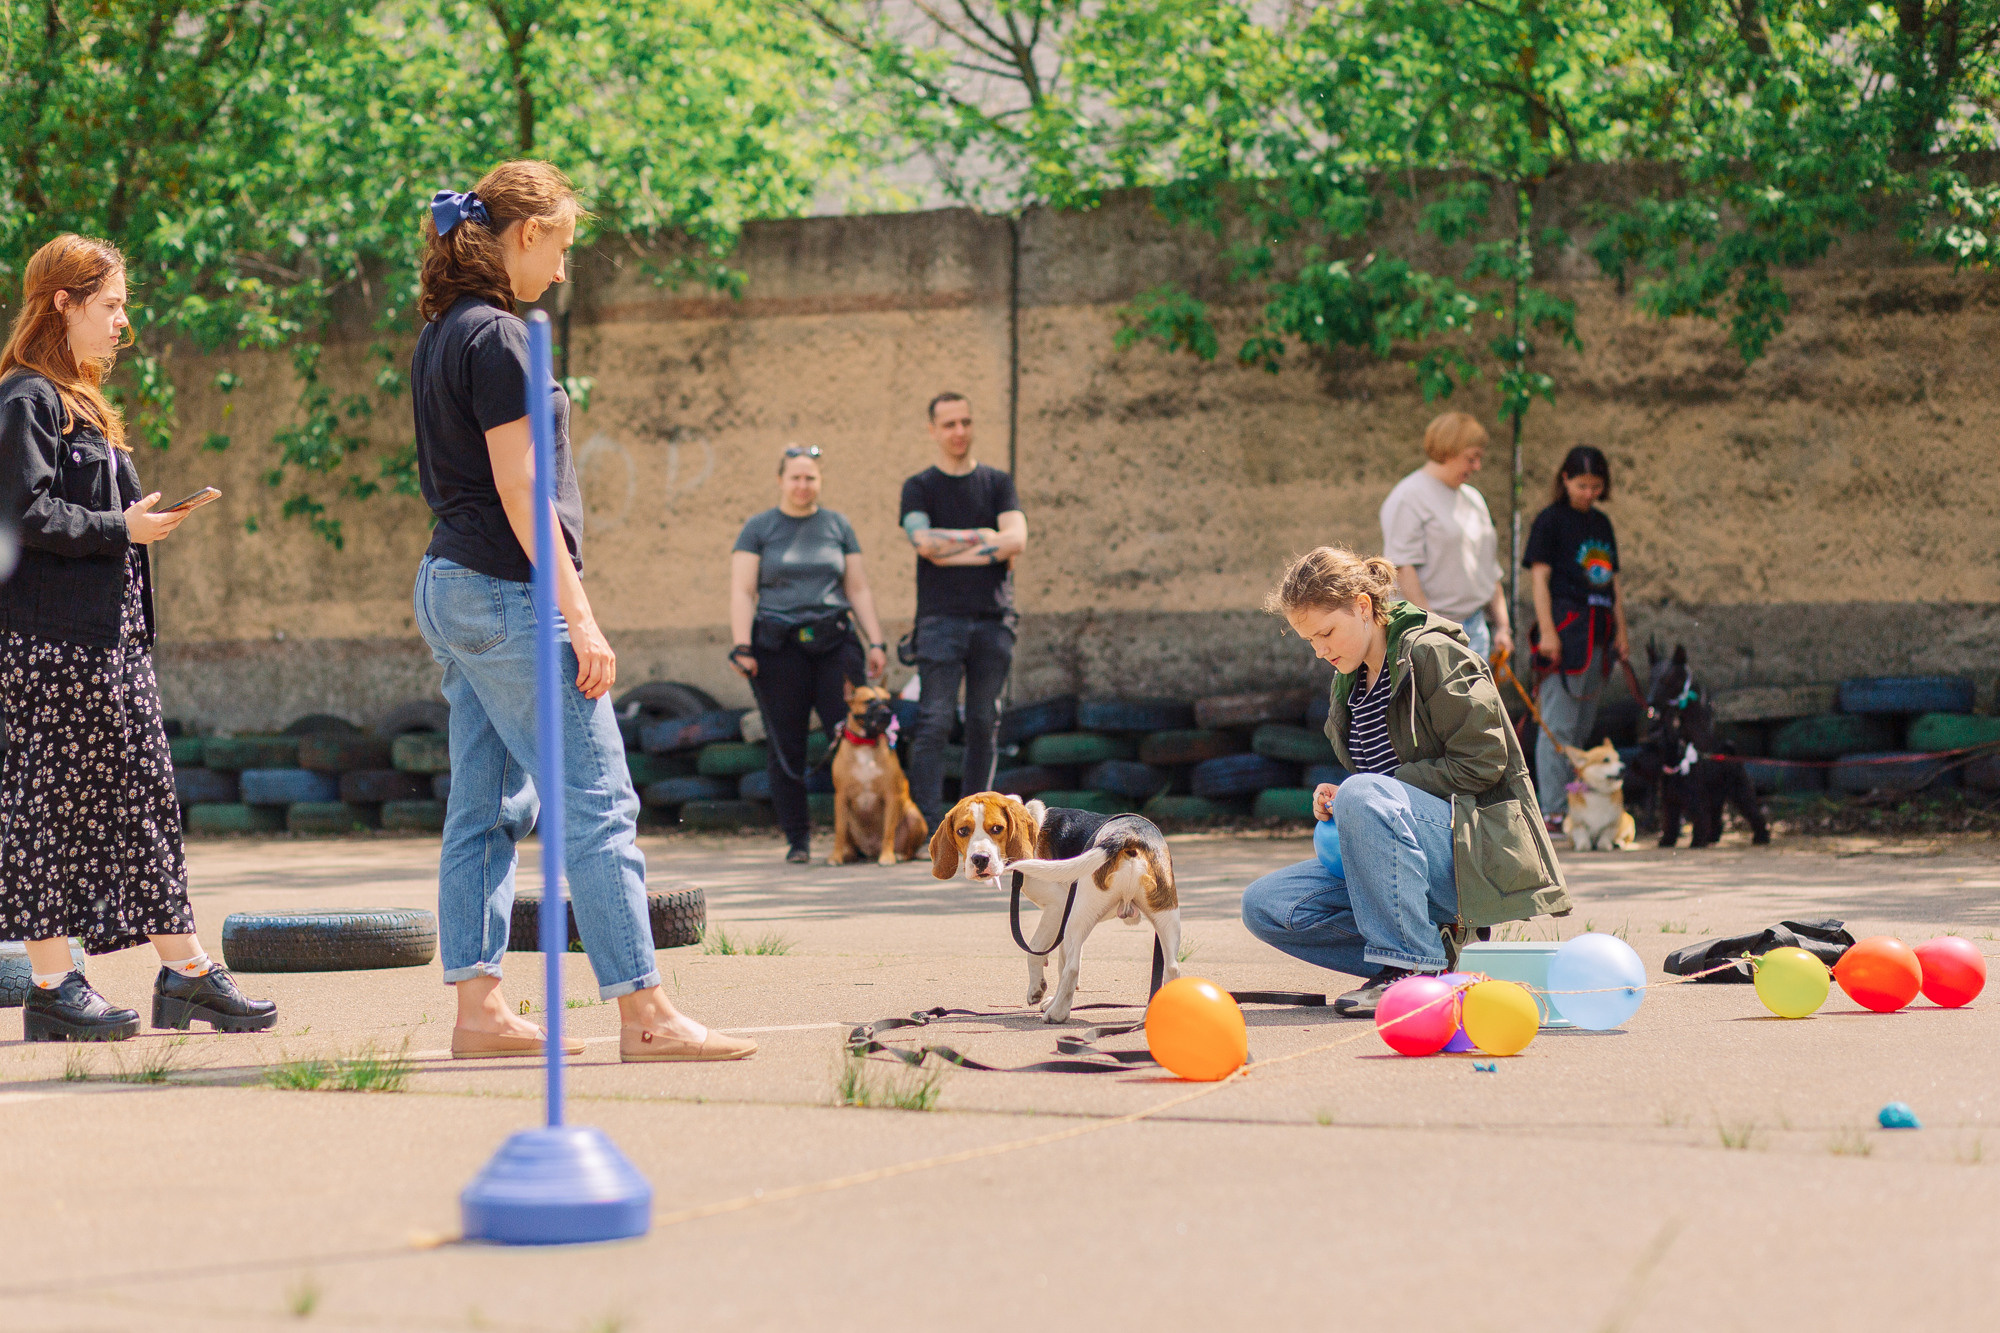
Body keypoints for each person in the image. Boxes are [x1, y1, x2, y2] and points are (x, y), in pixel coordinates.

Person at [409, 160, 753, 1062]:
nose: (563, 267)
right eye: (560, 243)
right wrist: (584, 617)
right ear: (525, 236)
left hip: (451, 585)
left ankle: (478, 1011)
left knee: (482, 806)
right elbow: (524, 493)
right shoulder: (501, 338)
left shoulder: (444, 331)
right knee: (598, 803)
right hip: (509, 593)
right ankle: (647, 1014)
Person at [0, 234, 277, 1041]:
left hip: (106, 646)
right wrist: (123, 524)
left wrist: (134, 527)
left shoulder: (77, 399)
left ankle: (183, 971)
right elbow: (23, 515)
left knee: (143, 800)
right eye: (111, 305)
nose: (124, 323)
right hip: (51, 649)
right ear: (64, 303)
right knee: (45, 808)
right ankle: (56, 984)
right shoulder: (27, 398)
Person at [1239, 547, 1569, 1017]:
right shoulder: (1350, 678)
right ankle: (1436, 958)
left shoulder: (1433, 653)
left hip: (1469, 851)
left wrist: (1371, 790)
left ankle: (1407, 969)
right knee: (1267, 904)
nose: (1321, 650)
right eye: (1309, 641)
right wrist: (1345, 796)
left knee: (1364, 792)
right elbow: (1383, 784)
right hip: (1406, 855)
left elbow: (1484, 761)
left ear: (1362, 605)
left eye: (1326, 633)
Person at [728, 446, 890, 863]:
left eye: (810, 478)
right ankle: (798, 840)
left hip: (835, 643)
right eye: (796, 477)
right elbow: (743, 590)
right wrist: (743, 644)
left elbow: (858, 588)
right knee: (787, 744)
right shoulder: (758, 528)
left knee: (855, 736)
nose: (803, 485)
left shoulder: (837, 525)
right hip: (778, 649)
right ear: (781, 480)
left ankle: (861, 837)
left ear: (820, 481)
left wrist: (875, 640)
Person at [899, 392, 1027, 828]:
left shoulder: (997, 483)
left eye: (965, 422)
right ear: (933, 430)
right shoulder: (920, 487)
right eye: (949, 424)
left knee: (982, 721)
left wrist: (950, 545)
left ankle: (978, 826)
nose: (959, 432)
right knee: (933, 721)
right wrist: (987, 540)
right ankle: (930, 826)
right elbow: (924, 544)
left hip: (994, 622)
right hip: (939, 622)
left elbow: (1017, 540)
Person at [1525, 446, 1631, 827]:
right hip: (1566, 636)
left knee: (1584, 728)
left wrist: (1621, 630)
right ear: (1565, 479)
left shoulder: (1602, 524)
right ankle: (1552, 809)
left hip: (1598, 637)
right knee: (1559, 727)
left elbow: (1612, 583)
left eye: (1596, 486)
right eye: (1582, 484)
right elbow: (1539, 580)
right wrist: (1548, 633)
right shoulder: (1549, 522)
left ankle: (1576, 808)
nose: (1589, 492)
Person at [1380, 411, 1512, 661]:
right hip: (1431, 630)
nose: (1477, 467)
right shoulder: (1408, 497)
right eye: (1471, 458)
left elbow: (1488, 568)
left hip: (1476, 628)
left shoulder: (1473, 498)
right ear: (1447, 450)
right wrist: (1434, 628)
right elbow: (1403, 568)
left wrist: (1503, 626)